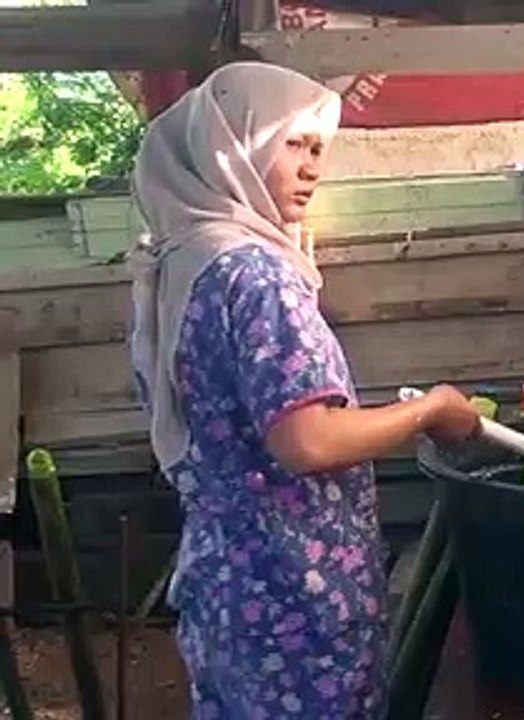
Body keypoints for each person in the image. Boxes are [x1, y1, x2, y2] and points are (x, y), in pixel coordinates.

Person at [127, 62, 482, 718]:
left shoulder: (181, 261)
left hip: (226, 584)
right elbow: (307, 440)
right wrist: (430, 408)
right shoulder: (256, 275)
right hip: (296, 595)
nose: (313, 166)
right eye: (293, 143)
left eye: (319, 149)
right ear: (231, 144)